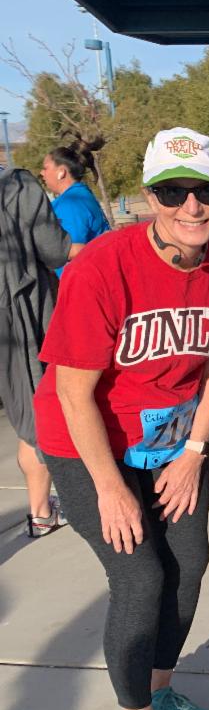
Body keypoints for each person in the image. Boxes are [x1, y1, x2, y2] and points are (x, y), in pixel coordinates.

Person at [33, 128, 209, 710]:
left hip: (172, 438)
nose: (191, 206)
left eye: (206, 191)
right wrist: (109, 487)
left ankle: (158, 695)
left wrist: (195, 452)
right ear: (149, 195)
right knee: (141, 575)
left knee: (188, 565)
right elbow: (73, 390)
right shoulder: (103, 265)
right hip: (85, 440)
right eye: (172, 190)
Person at [0, 167, 81, 537]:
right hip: (17, 322)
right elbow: (55, 250)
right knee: (36, 416)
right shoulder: (16, 185)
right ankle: (41, 512)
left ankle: (42, 511)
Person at [40, 139, 110, 272]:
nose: (42, 173)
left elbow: (70, 250)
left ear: (62, 172)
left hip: (79, 286)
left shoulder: (71, 204)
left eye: (46, 168)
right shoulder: (80, 196)